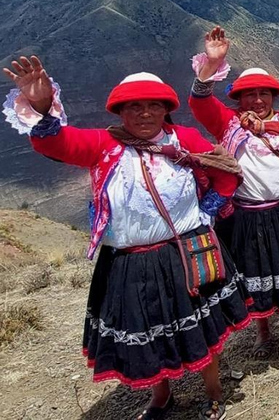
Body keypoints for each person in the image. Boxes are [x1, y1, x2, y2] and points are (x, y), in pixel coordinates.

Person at [3, 55, 252, 420]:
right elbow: (57, 144)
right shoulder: (104, 145)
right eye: (134, 106)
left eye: (154, 106)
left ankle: (213, 391)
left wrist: (209, 208)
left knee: (200, 328)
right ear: (120, 112)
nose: (145, 113)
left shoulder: (184, 139)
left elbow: (226, 170)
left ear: (166, 110)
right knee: (147, 331)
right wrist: (42, 108)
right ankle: (161, 396)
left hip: (183, 252)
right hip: (129, 262)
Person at [189, 27, 279, 358]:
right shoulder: (228, 124)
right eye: (250, 95)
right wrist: (212, 64)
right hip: (247, 214)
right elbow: (200, 103)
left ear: (273, 97)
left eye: (263, 93)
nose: (258, 100)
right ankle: (263, 332)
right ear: (238, 99)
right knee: (254, 274)